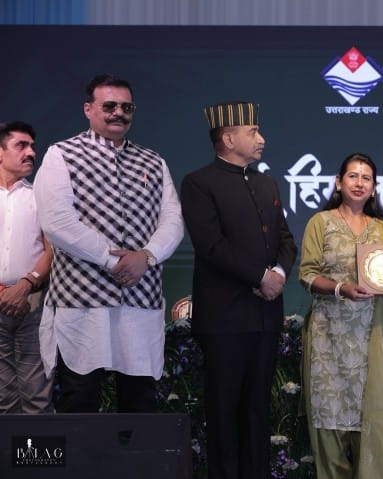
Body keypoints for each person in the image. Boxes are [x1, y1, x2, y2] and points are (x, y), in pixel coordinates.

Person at [34, 74, 184, 413]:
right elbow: (57, 222)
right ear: (88, 109)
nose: (119, 113)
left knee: (140, 401)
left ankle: (133, 454)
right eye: (110, 106)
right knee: (79, 397)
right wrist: (111, 259)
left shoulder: (153, 161)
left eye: (126, 107)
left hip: (139, 299)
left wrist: (147, 256)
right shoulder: (62, 155)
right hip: (83, 301)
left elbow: (173, 220)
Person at [181, 101, 297, 479]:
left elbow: (285, 240)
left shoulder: (267, 183)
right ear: (228, 139)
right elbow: (211, 245)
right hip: (224, 319)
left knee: (257, 410)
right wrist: (260, 277)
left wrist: (278, 272)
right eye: (253, 132)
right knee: (224, 411)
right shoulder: (199, 183)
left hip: (265, 316)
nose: (261, 139)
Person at [299, 152, 383, 479]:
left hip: (374, 339)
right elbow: (307, 275)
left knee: (373, 422)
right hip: (329, 338)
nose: (359, 183)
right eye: (353, 176)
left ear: (374, 188)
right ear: (339, 182)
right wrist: (339, 289)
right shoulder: (320, 222)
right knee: (328, 418)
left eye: (366, 178)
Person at [0, 121, 53, 413]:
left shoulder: (40, 196)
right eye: (21, 145)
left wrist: (24, 285)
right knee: (2, 399)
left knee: (37, 395)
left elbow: (52, 251)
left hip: (33, 303)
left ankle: (36, 445)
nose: (31, 152)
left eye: (32, 146)